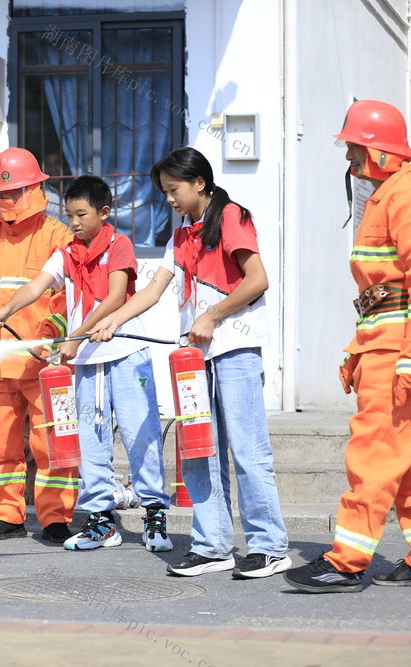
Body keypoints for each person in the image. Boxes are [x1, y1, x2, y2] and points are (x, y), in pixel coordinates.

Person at [89, 147, 291, 579]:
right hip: (195, 359)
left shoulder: (233, 216)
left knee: (246, 448)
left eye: (173, 189)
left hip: (235, 349)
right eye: (164, 192)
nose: (169, 199)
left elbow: (258, 280)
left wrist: (213, 314)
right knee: (199, 451)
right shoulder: (181, 234)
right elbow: (150, 292)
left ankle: (269, 547)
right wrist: (110, 322)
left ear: (199, 182)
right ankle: (212, 545)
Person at [0, 175, 173, 553]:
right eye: (68, 214)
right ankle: (101, 522)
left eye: (81, 214)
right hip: (87, 362)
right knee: (90, 442)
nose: (74, 222)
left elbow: (115, 297)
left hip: (124, 355)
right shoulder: (67, 252)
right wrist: (3, 310)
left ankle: (155, 517)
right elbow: (36, 286)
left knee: (140, 434)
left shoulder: (119, 245)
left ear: (104, 212)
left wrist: (75, 337)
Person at [284, 100, 411, 593]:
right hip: (385, 342)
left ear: (380, 153)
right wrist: (356, 348)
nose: (349, 161)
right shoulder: (389, 196)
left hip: (398, 349)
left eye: (354, 150)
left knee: (374, 454)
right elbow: (383, 294)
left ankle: (346, 562)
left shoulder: (406, 196)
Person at [0, 147, 77, 543]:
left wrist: (50, 337)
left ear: (36, 188)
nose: (8, 201)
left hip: (43, 363)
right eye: (2, 194)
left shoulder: (57, 235)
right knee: (0, 447)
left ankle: (56, 517)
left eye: (16, 192)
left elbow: (67, 298)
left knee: (52, 444)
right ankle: (7, 514)